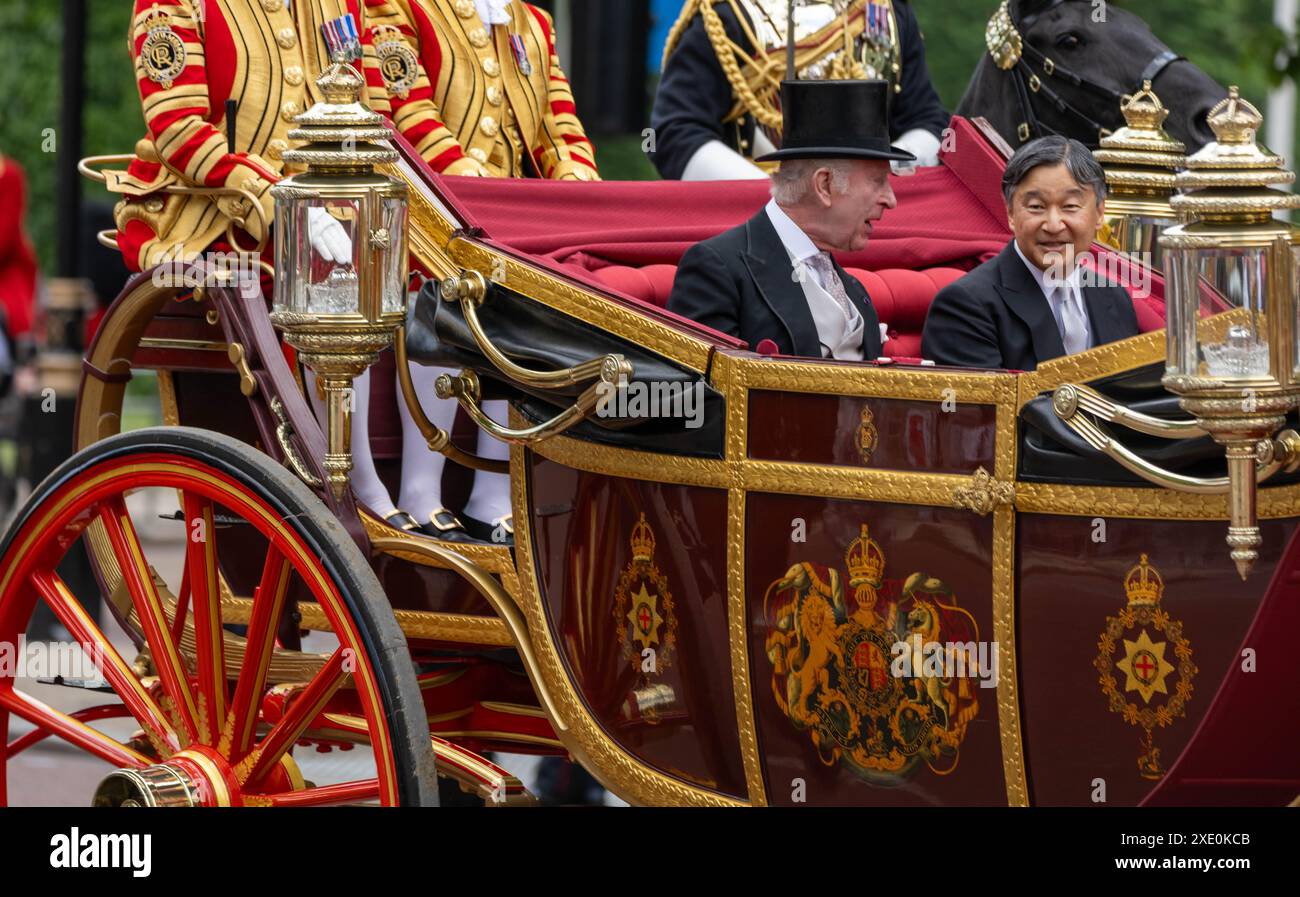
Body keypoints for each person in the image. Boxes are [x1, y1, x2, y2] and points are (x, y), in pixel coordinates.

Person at [361, 0, 600, 541]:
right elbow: (408, 113)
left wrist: (575, 191)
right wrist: (480, 197)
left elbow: (561, 126)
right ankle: (421, 491)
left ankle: (493, 494)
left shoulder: (532, 21)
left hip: (516, 226)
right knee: (443, 288)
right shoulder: (397, 10)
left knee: (543, 283)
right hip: (430, 209)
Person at [667, 79, 910, 360]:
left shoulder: (855, 292)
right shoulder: (718, 270)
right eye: (878, 182)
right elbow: (697, 395)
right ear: (824, 185)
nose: (890, 200)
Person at [651, 0, 948, 180]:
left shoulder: (887, 12)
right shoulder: (728, 15)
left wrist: (892, 174)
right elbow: (676, 133)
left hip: (876, 221)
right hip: (753, 233)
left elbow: (926, 119)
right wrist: (775, 201)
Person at [920, 135, 1140, 371]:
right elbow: (982, 407)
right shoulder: (964, 306)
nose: (1053, 225)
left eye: (1070, 207)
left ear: (1099, 213)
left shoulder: (1114, 296)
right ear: (1011, 213)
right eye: (1036, 207)